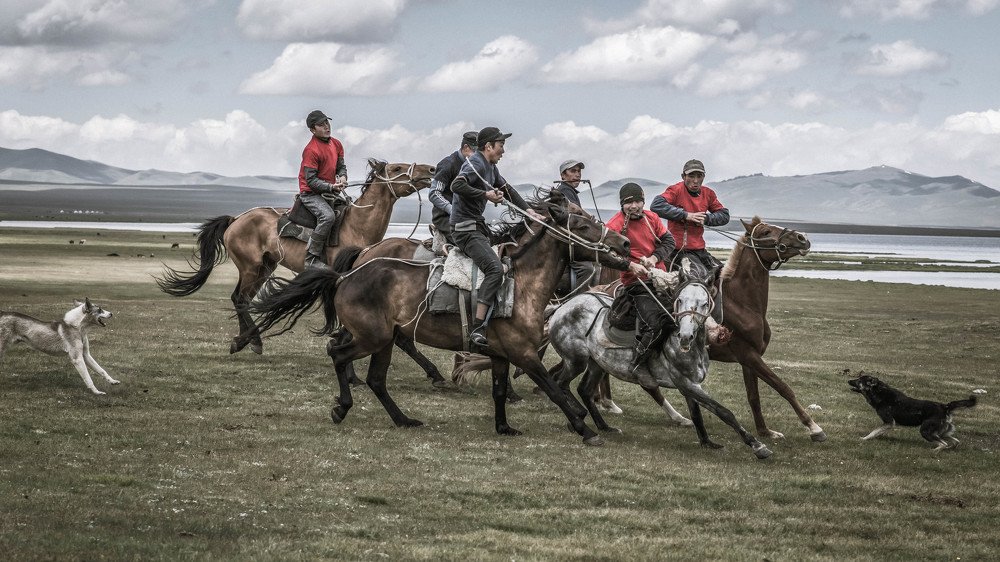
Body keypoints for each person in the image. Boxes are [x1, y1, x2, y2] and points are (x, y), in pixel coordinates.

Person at [450, 126, 544, 347]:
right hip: (465, 230)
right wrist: (486, 194)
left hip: (477, 227)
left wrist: (528, 211)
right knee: (494, 269)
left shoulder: (491, 167)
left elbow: (507, 188)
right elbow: (456, 185)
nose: (503, 151)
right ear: (488, 146)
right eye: (501, 146)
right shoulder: (476, 163)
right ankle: (478, 327)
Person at [606, 182, 677, 370]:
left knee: (683, 314)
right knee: (654, 324)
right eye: (629, 202)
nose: (634, 206)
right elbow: (606, 255)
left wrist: (654, 258)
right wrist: (630, 266)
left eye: (638, 201)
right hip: (635, 283)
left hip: (661, 277)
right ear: (622, 204)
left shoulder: (651, 217)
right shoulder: (614, 225)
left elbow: (669, 241)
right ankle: (636, 364)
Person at [650, 159, 730, 273]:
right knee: (698, 275)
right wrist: (686, 215)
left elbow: (724, 215)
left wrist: (707, 218)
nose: (696, 181)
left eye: (699, 176)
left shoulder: (708, 194)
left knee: (724, 275)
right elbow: (656, 205)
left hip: (700, 250)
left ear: (704, 177)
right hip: (678, 251)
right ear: (683, 176)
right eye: (691, 176)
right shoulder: (675, 190)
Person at [297, 110, 348, 269]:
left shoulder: (337, 144)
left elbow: (341, 167)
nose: (326, 126)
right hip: (311, 194)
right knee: (328, 217)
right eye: (321, 124)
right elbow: (311, 181)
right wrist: (331, 186)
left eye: (327, 122)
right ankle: (311, 258)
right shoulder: (311, 150)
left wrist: (343, 176)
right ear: (312, 130)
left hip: (329, 192)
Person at [428, 131, 478, 249]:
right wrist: (452, 209)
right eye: (476, 152)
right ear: (466, 147)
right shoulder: (448, 164)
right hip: (445, 218)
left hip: (467, 218)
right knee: (472, 244)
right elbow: (434, 193)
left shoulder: (474, 166)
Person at [555, 159, 596, 295]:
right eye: (573, 171)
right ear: (563, 175)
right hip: (566, 241)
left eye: (579, 171)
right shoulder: (564, 190)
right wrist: (591, 221)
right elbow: (576, 215)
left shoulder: (569, 191)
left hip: (570, 239)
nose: (578, 175)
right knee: (588, 269)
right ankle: (578, 301)